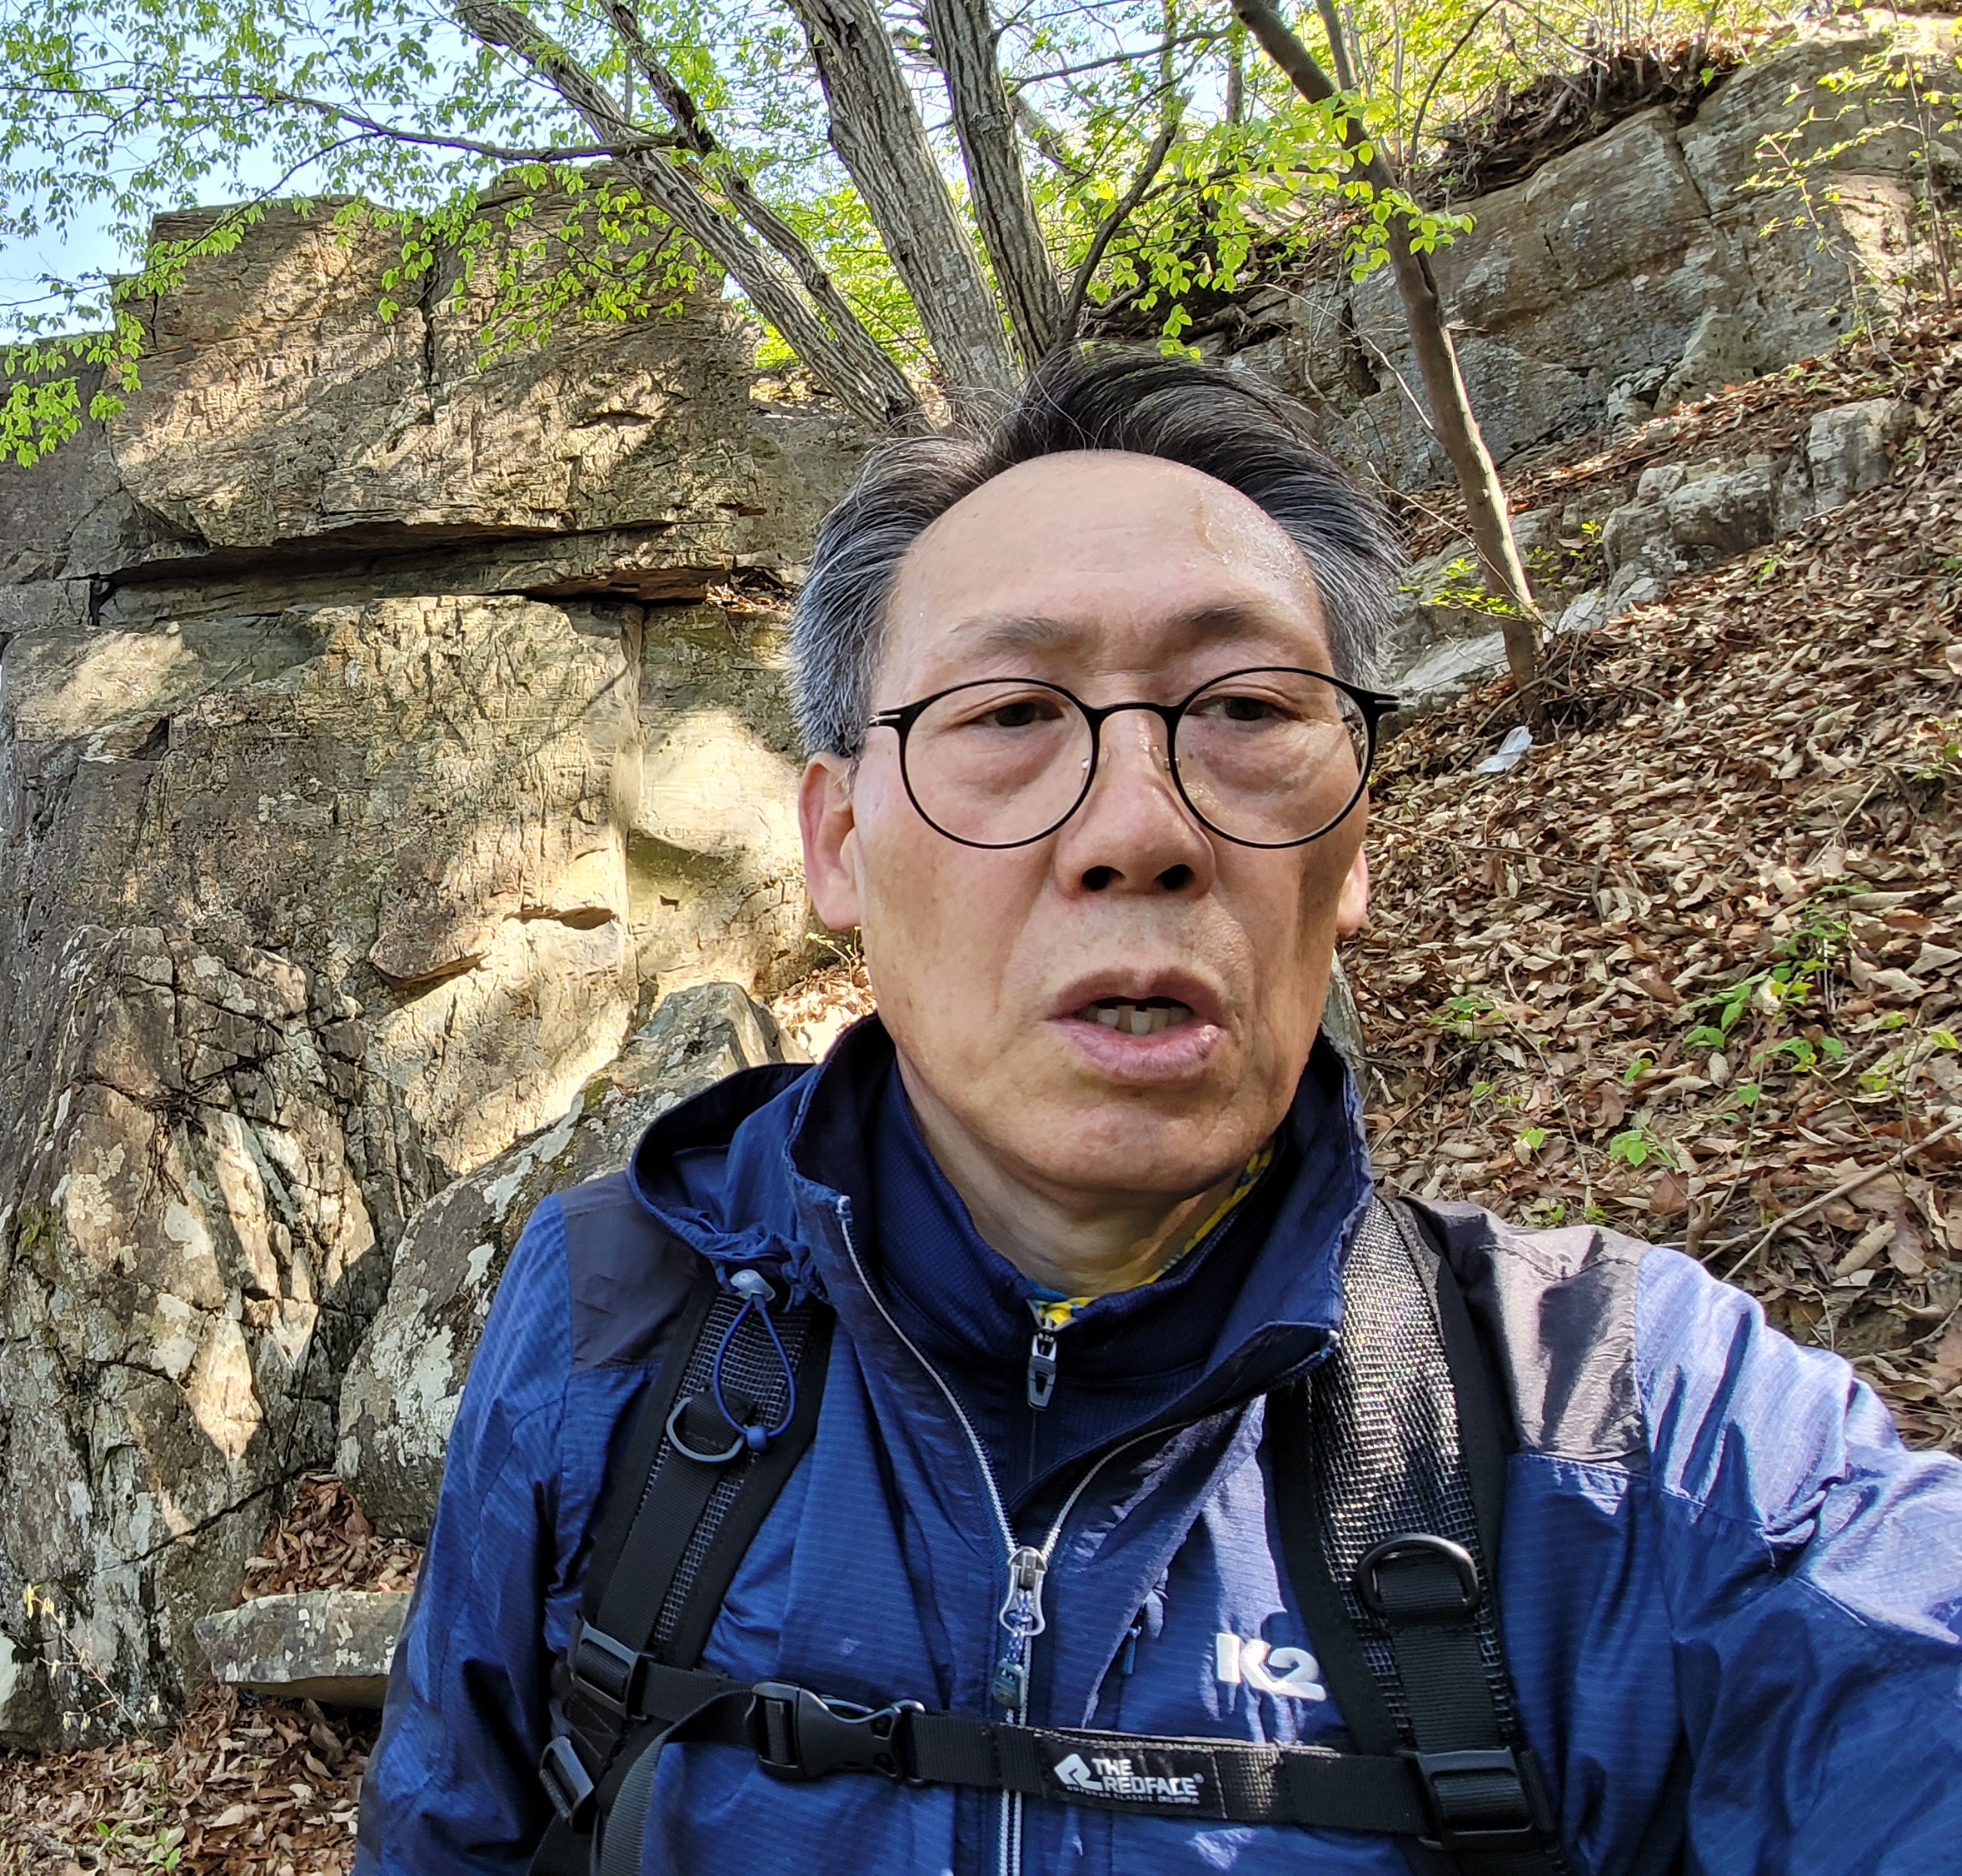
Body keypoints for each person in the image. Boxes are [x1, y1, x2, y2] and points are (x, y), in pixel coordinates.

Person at [353, 348, 1962, 1875]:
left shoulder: (1634, 1425)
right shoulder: (621, 1317)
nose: (1140, 827)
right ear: (837, 844)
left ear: (1355, 836)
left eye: (1248, 710)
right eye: (1009, 715)